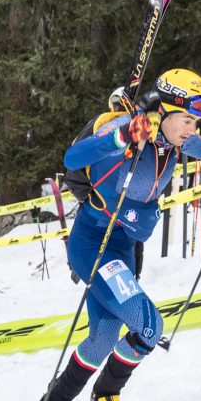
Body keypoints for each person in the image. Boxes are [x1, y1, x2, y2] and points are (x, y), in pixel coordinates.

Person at [38, 68, 201, 401]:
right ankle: (106, 393)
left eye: (197, 121)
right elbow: (73, 156)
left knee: (103, 336)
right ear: (168, 111)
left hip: (124, 249)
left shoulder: (176, 140)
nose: (193, 128)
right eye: (189, 119)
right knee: (148, 326)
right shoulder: (133, 130)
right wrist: (122, 135)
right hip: (93, 245)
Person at [64, 87, 145, 281]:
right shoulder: (103, 123)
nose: (119, 109)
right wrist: (91, 196)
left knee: (129, 241)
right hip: (101, 201)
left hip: (126, 201)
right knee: (98, 244)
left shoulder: (140, 128)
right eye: (116, 105)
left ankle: (131, 281)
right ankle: (91, 276)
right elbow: (76, 162)